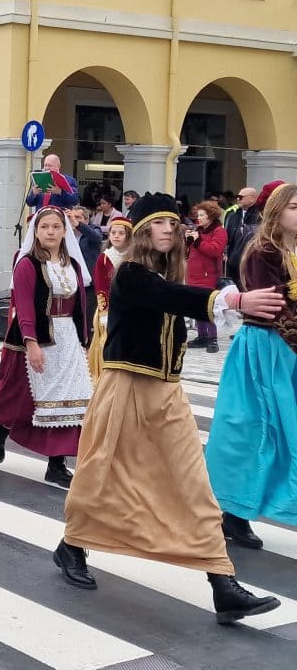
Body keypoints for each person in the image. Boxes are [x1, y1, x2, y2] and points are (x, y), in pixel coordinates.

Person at [55, 192, 284, 625]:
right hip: (125, 389)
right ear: (142, 232)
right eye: (158, 223)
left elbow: (174, 294)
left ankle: (222, 584)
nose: (168, 229)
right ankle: (72, 543)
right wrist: (232, 301)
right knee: (100, 474)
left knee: (194, 486)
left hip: (168, 394)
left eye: (173, 224)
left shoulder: (162, 273)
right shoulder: (130, 274)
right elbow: (169, 296)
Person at [205, 182, 297, 546]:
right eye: (293, 207)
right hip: (267, 347)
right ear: (276, 211)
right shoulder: (263, 251)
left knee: (284, 432)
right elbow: (274, 307)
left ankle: (260, 503)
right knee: (254, 429)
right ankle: (233, 512)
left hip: (289, 351)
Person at [0, 208, 92, 487]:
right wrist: (31, 343)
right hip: (34, 337)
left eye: (56, 226)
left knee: (70, 399)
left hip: (67, 337)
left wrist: (85, 341)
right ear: (36, 231)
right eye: (45, 227)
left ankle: (57, 463)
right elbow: (25, 306)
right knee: (19, 395)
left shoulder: (73, 265)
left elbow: (81, 305)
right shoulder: (28, 264)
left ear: (65, 231)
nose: (51, 232)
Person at [87, 218, 132, 380]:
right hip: (109, 308)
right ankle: (104, 375)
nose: (116, 236)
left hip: (130, 308)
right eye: (113, 233)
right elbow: (101, 287)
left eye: (121, 233)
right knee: (107, 342)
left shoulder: (133, 257)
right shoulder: (105, 258)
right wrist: (104, 311)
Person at [185, 201, 228, 353]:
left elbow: (215, 250)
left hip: (208, 275)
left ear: (210, 216)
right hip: (193, 275)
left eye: (202, 215)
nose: (199, 218)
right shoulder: (199, 230)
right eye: (198, 215)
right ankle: (202, 336)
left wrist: (198, 241)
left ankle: (212, 338)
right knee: (197, 306)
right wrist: (188, 240)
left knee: (209, 307)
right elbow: (191, 251)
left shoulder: (219, 231)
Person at [223, 186, 261, 284]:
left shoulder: (260, 215)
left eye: (241, 197)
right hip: (233, 260)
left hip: (251, 260)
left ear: (252, 198)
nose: (238, 199)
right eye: (237, 197)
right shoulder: (232, 215)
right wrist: (226, 252)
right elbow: (227, 235)